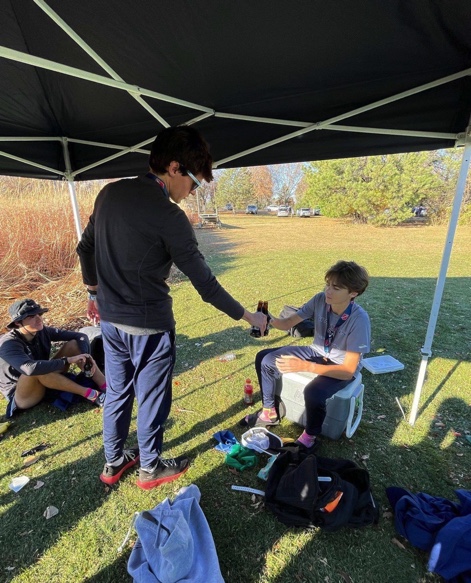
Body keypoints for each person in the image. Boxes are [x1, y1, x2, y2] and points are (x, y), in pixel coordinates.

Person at [76, 125, 267, 490]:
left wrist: (92, 292)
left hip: (112, 323)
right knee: (150, 397)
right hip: (149, 326)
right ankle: (150, 467)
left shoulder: (108, 194)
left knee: (117, 392)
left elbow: (86, 249)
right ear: (175, 168)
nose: (192, 192)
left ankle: (114, 461)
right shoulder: (169, 216)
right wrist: (249, 316)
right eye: (194, 183)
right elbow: (206, 286)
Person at [241, 260, 370, 448]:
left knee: (314, 392)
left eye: (336, 287)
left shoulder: (359, 319)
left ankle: (310, 436)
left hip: (340, 365)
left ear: (353, 293)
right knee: (264, 358)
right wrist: (269, 320)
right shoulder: (320, 300)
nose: (328, 291)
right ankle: (269, 411)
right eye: (327, 284)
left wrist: (305, 366)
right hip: (316, 351)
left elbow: (348, 370)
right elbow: (287, 324)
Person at [0, 299, 106, 418]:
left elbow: (80, 336)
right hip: (22, 394)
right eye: (31, 316)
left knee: (73, 345)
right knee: (37, 369)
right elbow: (29, 369)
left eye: (39, 314)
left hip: (43, 375)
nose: (38, 319)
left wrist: (86, 359)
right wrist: (67, 361)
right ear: (18, 323)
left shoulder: (41, 331)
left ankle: (105, 385)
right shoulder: (8, 344)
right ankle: (92, 395)